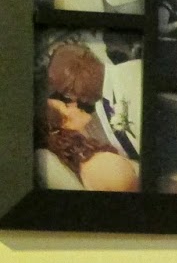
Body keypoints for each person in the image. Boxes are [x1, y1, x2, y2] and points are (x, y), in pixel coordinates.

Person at [36, 44, 137, 192]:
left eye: (69, 90)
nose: (74, 100)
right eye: (67, 99)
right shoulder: (101, 109)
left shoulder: (135, 74)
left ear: (83, 69)